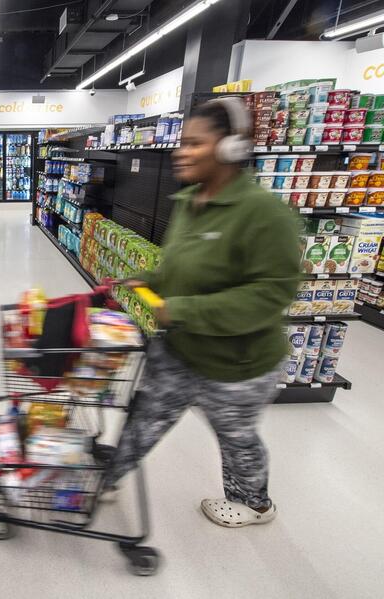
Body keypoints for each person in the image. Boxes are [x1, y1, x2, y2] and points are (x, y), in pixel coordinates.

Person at [101, 98, 301, 528]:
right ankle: (108, 477)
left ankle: (254, 504)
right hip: (181, 348)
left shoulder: (265, 215)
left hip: (238, 362)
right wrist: (146, 278)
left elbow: (271, 294)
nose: (180, 151)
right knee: (146, 414)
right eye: (182, 142)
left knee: (236, 437)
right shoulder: (191, 200)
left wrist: (185, 309)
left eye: (195, 143)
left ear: (231, 148)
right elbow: (182, 266)